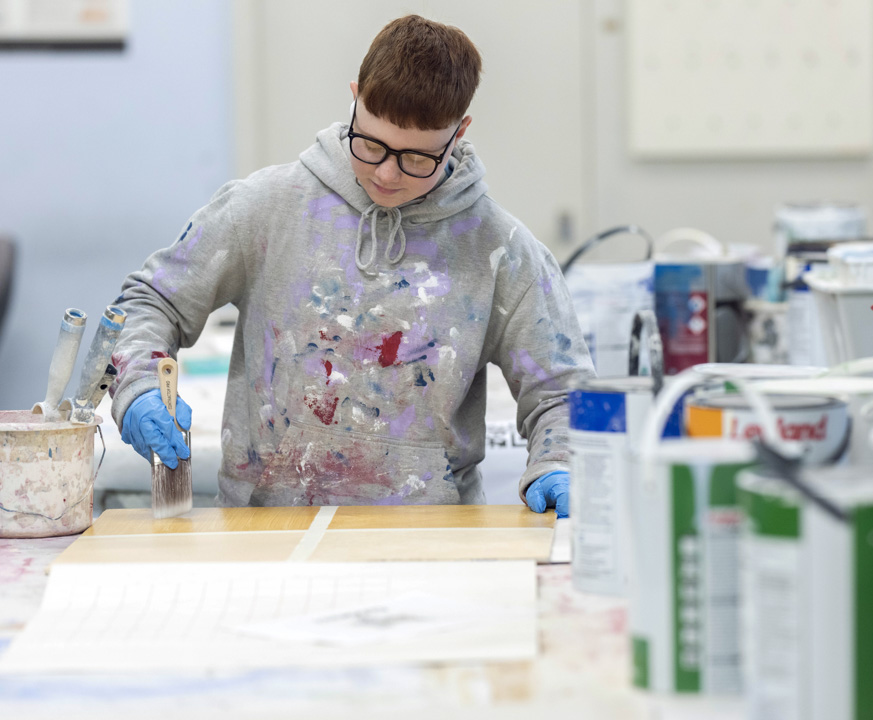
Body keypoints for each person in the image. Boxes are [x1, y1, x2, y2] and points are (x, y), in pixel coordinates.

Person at [109, 14, 593, 517]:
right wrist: (138, 383)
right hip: (263, 528)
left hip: (434, 538)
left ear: (459, 133)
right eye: (371, 144)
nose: (386, 173)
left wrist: (563, 460)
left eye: (417, 158)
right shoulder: (267, 208)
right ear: (355, 98)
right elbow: (152, 299)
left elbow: (562, 391)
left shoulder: (501, 249)